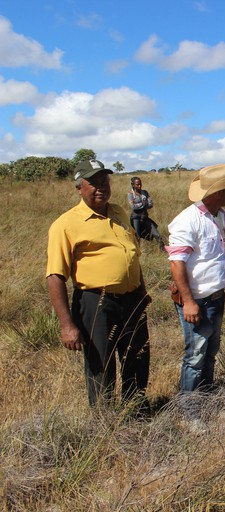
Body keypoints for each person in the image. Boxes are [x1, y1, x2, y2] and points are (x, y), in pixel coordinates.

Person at [46, 160, 151, 407]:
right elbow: (55, 276)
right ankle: (103, 419)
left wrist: (142, 291)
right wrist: (66, 325)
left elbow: (132, 255)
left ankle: (134, 408)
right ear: (79, 188)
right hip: (96, 301)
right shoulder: (66, 224)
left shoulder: (119, 212)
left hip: (132, 299)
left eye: (105, 182)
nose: (100, 188)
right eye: (93, 183)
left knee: (137, 355)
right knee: (100, 364)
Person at [167, 164, 225, 394]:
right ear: (218, 192)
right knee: (195, 354)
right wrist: (189, 302)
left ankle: (207, 394)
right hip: (196, 300)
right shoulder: (187, 220)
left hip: (216, 296)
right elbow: (177, 263)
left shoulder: (222, 216)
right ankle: (190, 407)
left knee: (211, 350)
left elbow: (223, 255)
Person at [127, 176, 164, 248]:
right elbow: (133, 207)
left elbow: (150, 204)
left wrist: (141, 204)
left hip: (144, 216)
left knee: (157, 234)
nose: (139, 186)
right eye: (137, 184)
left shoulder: (145, 192)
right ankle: (138, 253)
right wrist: (143, 203)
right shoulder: (130, 194)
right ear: (133, 185)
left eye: (140, 184)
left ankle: (163, 250)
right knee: (137, 237)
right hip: (136, 218)